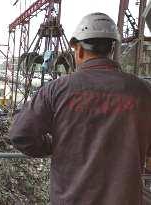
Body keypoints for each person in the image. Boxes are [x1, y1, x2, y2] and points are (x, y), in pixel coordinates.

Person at [9, 12, 151, 205]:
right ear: (112, 48)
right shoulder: (142, 91)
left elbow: (20, 134)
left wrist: (52, 145)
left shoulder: (57, 89)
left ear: (79, 51)